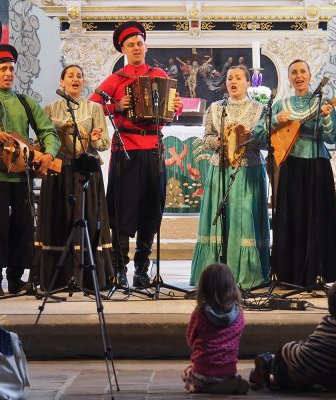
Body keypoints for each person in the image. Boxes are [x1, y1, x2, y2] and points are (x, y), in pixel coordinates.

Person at [89, 21, 182, 288]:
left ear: (145, 45)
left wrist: (174, 108)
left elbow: (170, 112)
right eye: (130, 44)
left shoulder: (159, 75)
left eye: (139, 43)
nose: (136, 47)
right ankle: (119, 268)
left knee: (151, 211)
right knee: (122, 211)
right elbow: (93, 107)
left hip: (153, 151)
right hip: (125, 152)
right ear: (123, 49)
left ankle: (142, 269)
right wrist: (116, 105)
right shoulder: (116, 79)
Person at [0, 44, 60, 296]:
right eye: (3, 69)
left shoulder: (25, 102)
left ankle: (16, 277)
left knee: (22, 225)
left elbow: (48, 131)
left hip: (21, 175)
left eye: (11, 69)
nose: (8, 73)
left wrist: (50, 153)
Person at [254, 59, 336, 287]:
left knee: (318, 217)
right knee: (292, 217)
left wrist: (324, 117)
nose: (298, 75)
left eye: (303, 71)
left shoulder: (323, 102)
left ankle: (319, 272)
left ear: (310, 75)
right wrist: (276, 120)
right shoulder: (281, 104)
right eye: (294, 72)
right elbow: (258, 134)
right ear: (289, 77)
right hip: (290, 164)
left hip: (317, 165)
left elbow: (332, 137)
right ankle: (291, 274)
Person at [190, 65, 269, 289]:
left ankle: (246, 274)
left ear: (247, 83)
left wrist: (246, 139)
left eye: (238, 78)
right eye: (229, 78)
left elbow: (265, 142)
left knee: (244, 218)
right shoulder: (216, 108)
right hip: (221, 169)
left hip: (249, 170)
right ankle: (215, 274)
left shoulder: (259, 109)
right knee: (220, 219)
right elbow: (206, 139)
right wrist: (219, 142)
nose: (233, 81)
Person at [37, 64, 113, 291]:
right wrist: (61, 125)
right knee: (59, 219)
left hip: (86, 172)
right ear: (62, 82)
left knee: (88, 220)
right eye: (70, 76)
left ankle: (89, 278)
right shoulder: (50, 109)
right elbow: (42, 139)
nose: (75, 79)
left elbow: (104, 144)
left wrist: (95, 138)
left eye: (79, 76)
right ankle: (57, 277)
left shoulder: (94, 108)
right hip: (59, 171)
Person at [249, 280, 336, 391]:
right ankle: (267, 362)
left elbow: (316, 341)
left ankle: (264, 367)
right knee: (284, 378)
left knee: (290, 367)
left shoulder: (326, 321)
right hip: (303, 371)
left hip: (295, 363)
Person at [182, 263, 249, 394]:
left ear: (203, 288)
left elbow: (190, 339)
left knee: (187, 373)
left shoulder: (200, 313)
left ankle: (203, 386)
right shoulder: (239, 312)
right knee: (223, 375)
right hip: (228, 370)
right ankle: (228, 382)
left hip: (203, 370)